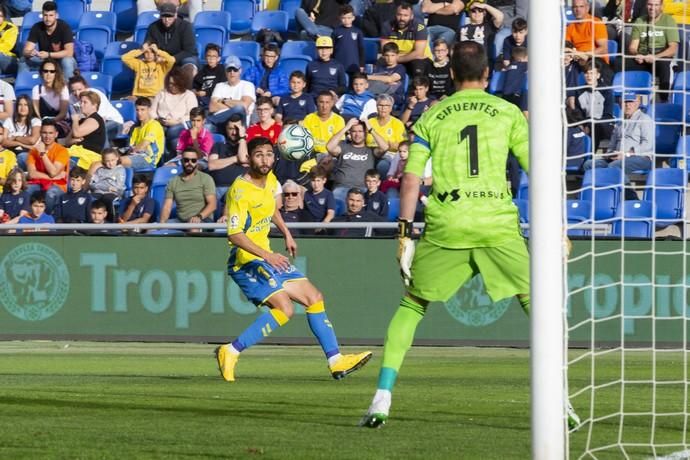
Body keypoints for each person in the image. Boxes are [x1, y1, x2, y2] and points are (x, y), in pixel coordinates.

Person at [359, 41, 580, 429]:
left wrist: (405, 234)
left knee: (412, 306)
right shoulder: (507, 112)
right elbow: (540, 172)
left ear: (453, 76)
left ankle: (381, 398)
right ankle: (561, 403)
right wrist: (558, 226)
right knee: (538, 308)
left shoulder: (432, 115)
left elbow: (411, 179)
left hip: (449, 225)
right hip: (497, 223)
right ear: (487, 74)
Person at [214, 136, 372, 382]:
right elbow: (234, 234)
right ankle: (230, 351)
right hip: (246, 261)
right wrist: (268, 255)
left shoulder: (271, 181)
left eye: (268, 154)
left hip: (266, 257)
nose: (265, 159)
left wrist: (287, 234)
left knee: (314, 298)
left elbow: (271, 208)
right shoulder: (239, 190)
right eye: (259, 154)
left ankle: (336, 361)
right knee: (285, 309)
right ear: (249, 158)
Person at [583, 91, 653, 174]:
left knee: (614, 166)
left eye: (630, 101)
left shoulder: (644, 119)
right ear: (620, 104)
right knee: (589, 164)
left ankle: (627, 187)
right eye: (624, 102)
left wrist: (627, 154)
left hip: (640, 157)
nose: (627, 105)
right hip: (618, 158)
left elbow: (648, 145)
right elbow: (612, 144)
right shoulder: (619, 123)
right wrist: (610, 154)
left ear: (637, 103)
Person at [325, 117, 389, 202]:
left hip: (364, 190)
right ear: (350, 133)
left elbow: (385, 147)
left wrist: (370, 128)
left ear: (365, 133)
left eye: (360, 131)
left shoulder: (371, 150)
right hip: (342, 188)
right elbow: (329, 147)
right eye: (354, 131)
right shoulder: (343, 147)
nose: (357, 134)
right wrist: (346, 127)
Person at [626, 0, 679, 103]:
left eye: (656, 5)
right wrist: (638, 55)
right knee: (620, 63)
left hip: (661, 56)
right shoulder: (640, 21)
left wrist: (656, 57)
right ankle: (624, 99)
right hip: (643, 55)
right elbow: (633, 47)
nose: (652, 8)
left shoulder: (668, 21)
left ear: (662, 6)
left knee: (664, 66)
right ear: (646, 5)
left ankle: (664, 100)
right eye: (650, 4)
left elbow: (673, 49)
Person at [159, 147, 217, 231]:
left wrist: (199, 216)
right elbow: (167, 207)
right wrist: (162, 225)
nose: (189, 163)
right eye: (186, 160)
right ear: (182, 161)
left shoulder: (206, 179)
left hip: (203, 220)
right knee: (152, 230)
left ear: (197, 162)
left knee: (193, 228)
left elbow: (212, 205)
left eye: (193, 160)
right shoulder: (173, 181)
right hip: (181, 221)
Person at [19, 1, 77, 78]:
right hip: (45, 60)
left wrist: (48, 55)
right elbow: (26, 51)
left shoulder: (64, 27)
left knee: (67, 61)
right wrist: (30, 53)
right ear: (42, 15)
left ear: (56, 16)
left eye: (51, 15)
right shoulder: (37, 27)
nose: (48, 19)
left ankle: (69, 88)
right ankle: (24, 85)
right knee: (23, 60)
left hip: (61, 60)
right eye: (45, 15)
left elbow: (69, 53)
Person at [151, 67, 198, 160]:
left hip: (179, 125)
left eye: (175, 84)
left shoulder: (189, 95)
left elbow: (193, 115)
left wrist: (177, 122)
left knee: (172, 131)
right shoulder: (161, 93)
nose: (172, 86)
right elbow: (152, 111)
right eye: (170, 84)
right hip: (161, 123)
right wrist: (157, 119)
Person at [26, 119, 69, 212]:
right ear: (40, 133)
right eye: (44, 133)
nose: (47, 136)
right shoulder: (33, 151)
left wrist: (42, 153)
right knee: (26, 190)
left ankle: (48, 219)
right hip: (38, 183)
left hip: (58, 185)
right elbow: (32, 174)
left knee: (51, 193)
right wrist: (53, 177)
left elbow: (53, 172)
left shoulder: (62, 151)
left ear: (56, 134)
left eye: (50, 133)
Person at [144, 2, 198, 75]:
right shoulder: (153, 27)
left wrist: (171, 59)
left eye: (170, 16)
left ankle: (187, 86)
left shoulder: (186, 26)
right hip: (161, 58)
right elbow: (148, 43)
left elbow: (189, 51)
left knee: (189, 65)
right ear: (160, 16)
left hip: (182, 57)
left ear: (175, 15)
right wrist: (146, 45)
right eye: (164, 16)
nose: (167, 19)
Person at [380, 3, 433, 77]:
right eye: (399, 15)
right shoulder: (387, 25)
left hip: (419, 59)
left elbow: (418, 53)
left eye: (405, 15)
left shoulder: (419, 26)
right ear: (395, 15)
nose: (402, 18)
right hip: (396, 57)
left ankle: (419, 87)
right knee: (380, 62)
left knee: (417, 65)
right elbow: (385, 50)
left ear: (411, 16)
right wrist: (394, 58)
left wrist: (398, 58)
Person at [208, 114, 249, 210]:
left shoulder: (249, 147)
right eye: (231, 129)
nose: (234, 132)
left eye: (237, 129)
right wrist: (235, 158)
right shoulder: (218, 146)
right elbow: (212, 165)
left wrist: (242, 138)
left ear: (243, 129)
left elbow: (243, 158)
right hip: (218, 189)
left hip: (240, 190)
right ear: (226, 129)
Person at [68, 75, 124, 145]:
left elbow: (100, 120)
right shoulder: (71, 99)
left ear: (86, 87)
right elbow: (78, 118)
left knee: (100, 131)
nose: (77, 93)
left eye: (80, 89)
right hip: (90, 123)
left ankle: (104, 154)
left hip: (113, 122)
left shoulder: (95, 95)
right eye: (73, 91)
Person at [573, 59, 614, 150]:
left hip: (603, 125)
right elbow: (578, 114)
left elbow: (607, 115)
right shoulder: (579, 92)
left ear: (598, 75)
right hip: (586, 125)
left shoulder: (606, 92)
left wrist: (590, 124)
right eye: (587, 73)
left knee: (595, 126)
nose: (589, 76)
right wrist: (584, 125)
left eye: (592, 73)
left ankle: (590, 157)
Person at [207, 56, 256, 132]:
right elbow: (212, 107)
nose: (232, 72)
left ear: (240, 71)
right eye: (229, 69)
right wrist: (235, 106)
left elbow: (244, 105)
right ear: (225, 72)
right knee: (207, 127)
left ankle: (210, 120)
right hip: (221, 124)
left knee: (239, 109)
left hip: (239, 124)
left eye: (235, 69)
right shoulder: (219, 85)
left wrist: (223, 100)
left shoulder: (248, 85)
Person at [366, 94, 408, 178]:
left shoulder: (397, 123)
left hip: (388, 155)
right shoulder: (369, 122)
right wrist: (388, 144)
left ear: (391, 108)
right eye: (380, 105)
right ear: (376, 107)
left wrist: (389, 146)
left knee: (383, 165)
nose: (383, 108)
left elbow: (402, 146)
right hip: (369, 152)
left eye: (386, 105)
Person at [67, 90, 107, 171]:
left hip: (88, 157)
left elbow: (77, 133)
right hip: (77, 153)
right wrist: (74, 140)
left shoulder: (95, 119)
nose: (81, 105)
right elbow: (67, 141)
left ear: (94, 105)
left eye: (85, 102)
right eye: (81, 102)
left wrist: (75, 120)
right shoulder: (82, 121)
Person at [565, 0, 611, 65]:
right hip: (578, 61)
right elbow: (567, 46)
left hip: (596, 62)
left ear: (587, 8)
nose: (578, 9)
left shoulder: (596, 23)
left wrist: (583, 55)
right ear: (572, 9)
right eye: (575, 7)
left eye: (581, 6)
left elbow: (603, 49)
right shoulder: (570, 27)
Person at [32, 58, 69, 137]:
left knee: (51, 132)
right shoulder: (36, 89)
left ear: (56, 73)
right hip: (42, 122)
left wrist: (50, 122)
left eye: (52, 71)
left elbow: (63, 113)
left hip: (58, 122)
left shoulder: (63, 89)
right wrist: (43, 122)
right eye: (45, 71)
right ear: (41, 73)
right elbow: (36, 111)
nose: (48, 74)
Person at [89, 148, 126, 221]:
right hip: (99, 192)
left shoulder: (120, 170)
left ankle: (112, 221)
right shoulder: (99, 170)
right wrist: (107, 187)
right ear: (103, 161)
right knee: (89, 198)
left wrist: (100, 185)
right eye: (107, 161)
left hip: (113, 193)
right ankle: (90, 220)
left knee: (108, 198)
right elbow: (92, 184)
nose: (110, 163)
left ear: (117, 158)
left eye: (112, 160)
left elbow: (119, 186)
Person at [367, 42, 407, 109]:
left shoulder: (400, 68)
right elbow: (372, 84)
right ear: (383, 56)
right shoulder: (379, 68)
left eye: (392, 55)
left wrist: (369, 77)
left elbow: (390, 79)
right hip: (378, 93)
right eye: (387, 55)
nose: (389, 58)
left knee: (380, 100)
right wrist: (386, 82)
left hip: (394, 95)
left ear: (397, 56)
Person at [3, 95, 40, 161]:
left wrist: (15, 138)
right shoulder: (9, 121)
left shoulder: (35, 121)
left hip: (28, 153)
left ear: (30, 107)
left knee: (22, 157)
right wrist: (20, 143)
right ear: (16, 107)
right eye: (20, 105)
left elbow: (32, 140)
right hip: (10, 152)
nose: (23, 108)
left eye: (26, 105)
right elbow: (4, 142)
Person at [333, 5, 365, 76]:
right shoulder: (336, 31)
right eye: (343, 18)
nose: (346, 20)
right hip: (339, 64)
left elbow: (361, 49)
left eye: (349, 18)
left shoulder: (358, 31)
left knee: (353, 84)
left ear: (353, 18)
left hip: (354, 65)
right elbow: (332, 49)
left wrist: (362, 65)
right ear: (340, 18)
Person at [303, 166, 336, 231]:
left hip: (323, 227)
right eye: (313, 181)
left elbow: (331, 214)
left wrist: (321, 226)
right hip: (309, 226)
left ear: (324, 180)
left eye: (318, 181)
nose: (316, 184)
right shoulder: (306, 194)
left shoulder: (328, 194)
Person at [193, 44, 225, 110]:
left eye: (214, 56)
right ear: (205, 57)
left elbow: (222, 87)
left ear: (218, 58)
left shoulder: (222, 70)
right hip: (201, 98)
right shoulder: (203, 70)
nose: (211, 58)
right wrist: (195, 91)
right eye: (208, 56)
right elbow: (195, 84)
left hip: (215, 99)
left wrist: (206, 92)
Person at [0, 5, 18, 76]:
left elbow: (7, 46)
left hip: (8, 58)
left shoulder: (10, 27)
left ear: (4, 17)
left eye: (0, 16)